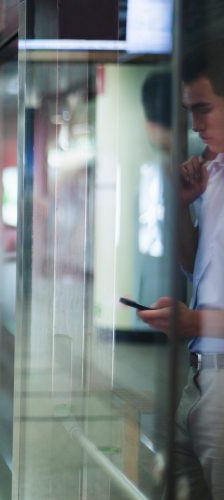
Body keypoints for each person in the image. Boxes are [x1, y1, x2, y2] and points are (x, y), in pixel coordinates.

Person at [138, 41, 224, 498]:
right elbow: (194, 267)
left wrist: (193, 321)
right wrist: (181, 202)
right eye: (190, 111)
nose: (196, 125)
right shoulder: (212, 174)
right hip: (197, 378)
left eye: (205, 109)